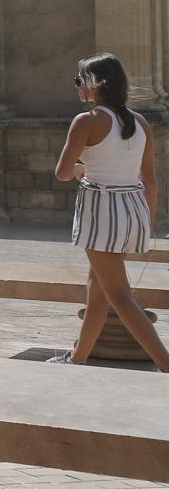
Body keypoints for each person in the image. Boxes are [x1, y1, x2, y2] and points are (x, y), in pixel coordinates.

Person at [50, 54, 169, 370]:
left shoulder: (86, 121)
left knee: (119, 295)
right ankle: (78, 357)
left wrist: (79, 171)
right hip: (133, 210)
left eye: (80, 80)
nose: (77, 87)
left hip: (102, 211)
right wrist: (146, 221)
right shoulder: (140, 122)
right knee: (98, 288)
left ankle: (166, 362)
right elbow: (151, 180)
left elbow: (63, 171)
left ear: (96, 84)